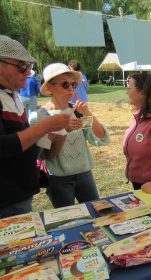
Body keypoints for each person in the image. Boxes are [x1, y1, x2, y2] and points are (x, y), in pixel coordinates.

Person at [0, 36, 71, 218]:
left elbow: (21, 143)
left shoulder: (12, 96)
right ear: (1, 66)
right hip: (7, 199)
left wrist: (47, 136)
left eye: (29, 68)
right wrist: (45, 126)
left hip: (19, 192)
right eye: (22, 67)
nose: (28, 73)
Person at [30, 63, 110, 208]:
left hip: (85, 174)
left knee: (96, 213)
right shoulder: (40, 116)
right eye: (65, 84)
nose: (71, 89)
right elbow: (46, 155)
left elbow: (101, 138)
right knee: (67, 221)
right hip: (58, 179)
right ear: (50, 87)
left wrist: (87, 113)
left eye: (73, 85)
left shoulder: (77, 112)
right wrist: (63, 131)